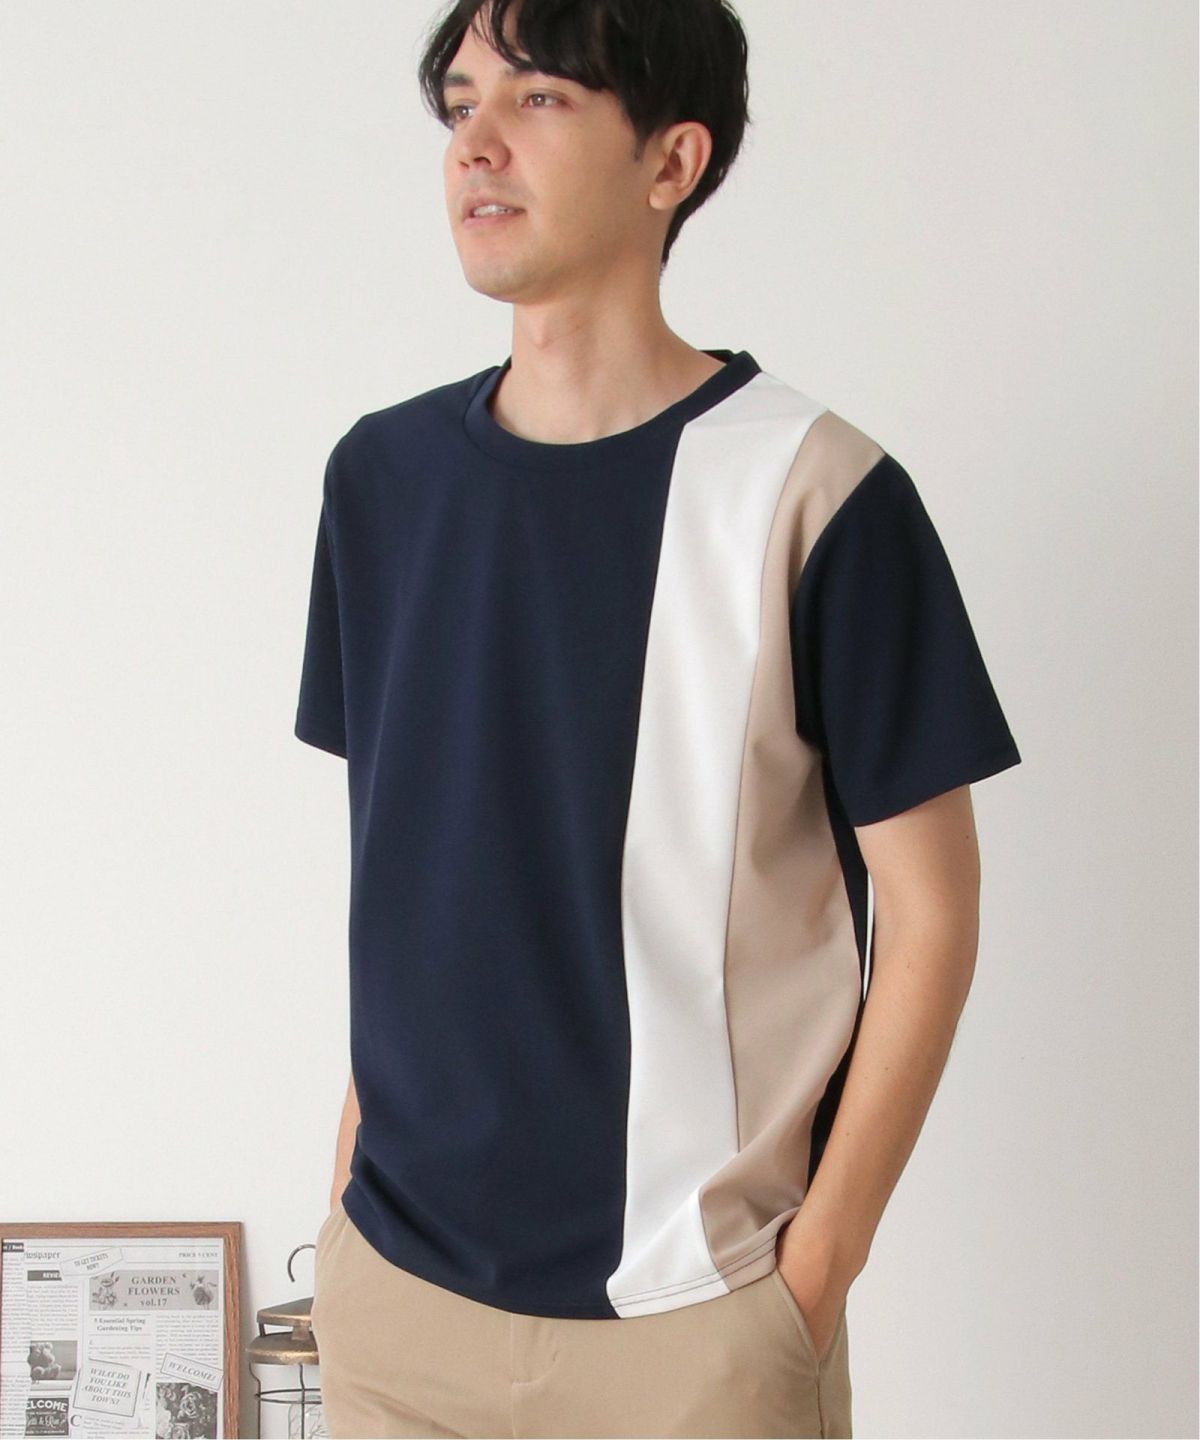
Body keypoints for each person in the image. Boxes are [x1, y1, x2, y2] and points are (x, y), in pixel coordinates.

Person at [294, 1, 1023, 1436]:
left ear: (672, 161)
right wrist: (344, 1225)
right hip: (398, 1305)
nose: (477, 144)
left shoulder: (818, 493)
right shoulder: (381, 483)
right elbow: (414, 879)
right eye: (459, 103)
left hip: (697, 1326)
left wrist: (811, 1279)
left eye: (540, 98)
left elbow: (932, 917)